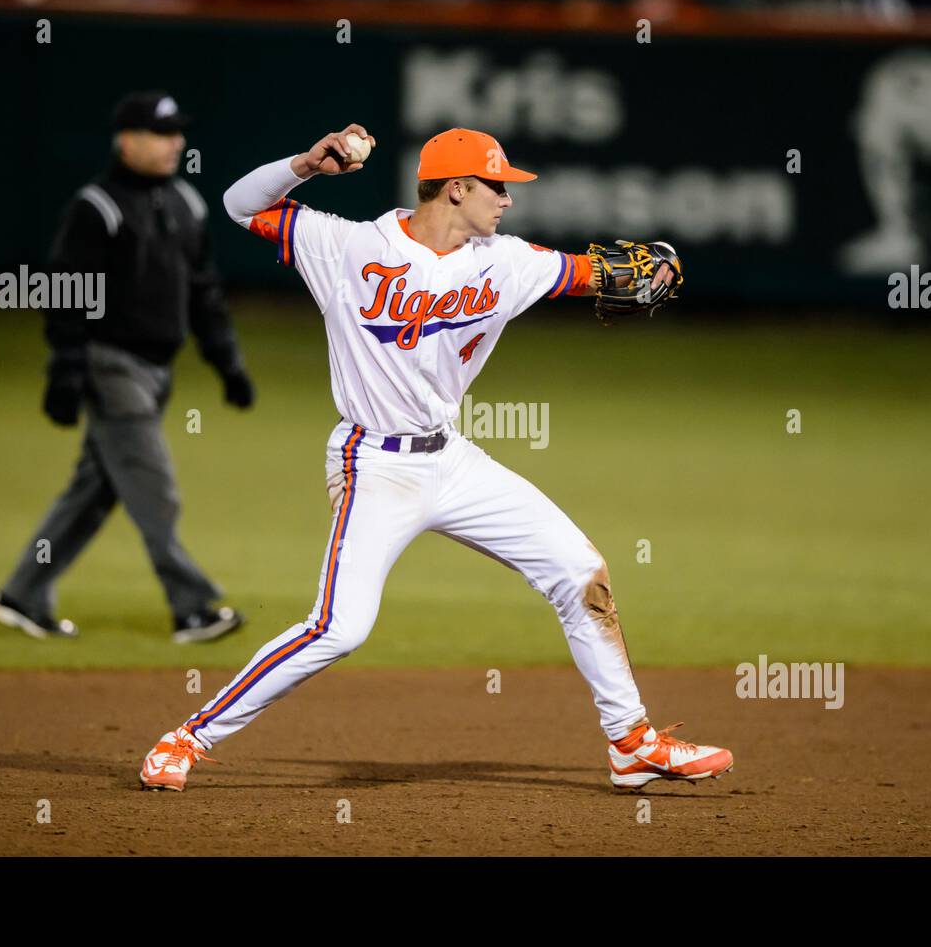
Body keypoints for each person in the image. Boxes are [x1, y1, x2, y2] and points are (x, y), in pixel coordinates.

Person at [139, 125, 734, 789]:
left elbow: (587, 271)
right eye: (496, 186)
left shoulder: (505, 260)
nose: (507, 200)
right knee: (341, 628)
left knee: (580, 571)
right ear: (456, 188)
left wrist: (640, 271)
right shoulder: (350, 246)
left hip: (452, 460)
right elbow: (241, 205)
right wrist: (305, 165)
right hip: (375, 466)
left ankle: (631, 742)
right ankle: (188, 737)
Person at [0, 91, 252, 644]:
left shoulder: (186, 203)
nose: (174, 142)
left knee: (96, 490)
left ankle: (22, 594)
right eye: (161, 133)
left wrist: (227, 362)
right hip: (110, 368)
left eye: (177, 132)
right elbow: (64, 291)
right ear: (126, 139)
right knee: (156, 488)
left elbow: (204, 292)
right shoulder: (97, 206)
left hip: (158, 372)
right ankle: (193, 608)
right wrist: (64, 369)